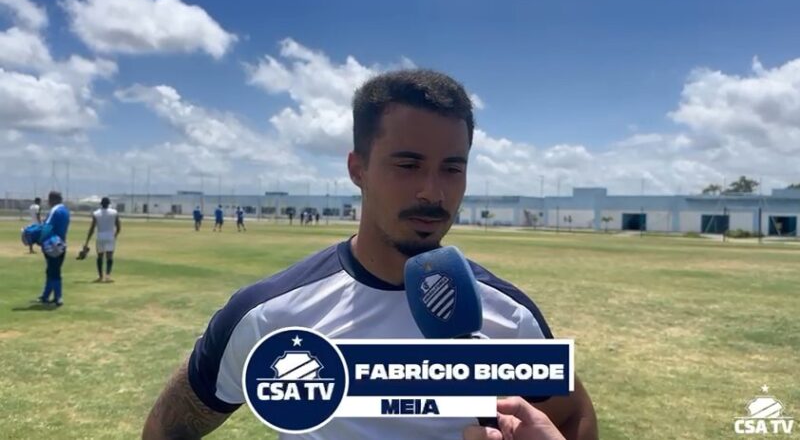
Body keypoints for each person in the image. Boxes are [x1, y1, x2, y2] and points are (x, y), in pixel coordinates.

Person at [142, 70, 597, 439]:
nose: (432, 191)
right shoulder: (269, 314)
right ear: (357, 169)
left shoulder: (508, 318)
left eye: (452, 168)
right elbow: (168, 428)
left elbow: (573, 417)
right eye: (408, 165)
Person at [36, 191, 70, 307]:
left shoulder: (55, 210)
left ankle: (58, 297)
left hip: (52, 244)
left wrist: (40, 239)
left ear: (53, 200)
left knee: (53, 271)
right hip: (62, 243)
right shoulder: (65, 210)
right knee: (52, 270)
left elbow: (47, 226)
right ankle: (46, 296)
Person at [83, 197, 121, 283]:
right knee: (109, 256)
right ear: (109, 204)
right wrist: (115, 236)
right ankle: (108, 276)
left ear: (101, 204)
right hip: (110, 236)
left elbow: (92, 229)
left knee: (100, 256)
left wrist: (87, 241)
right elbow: (118, 227)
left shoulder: (96, 213)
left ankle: (100, 276)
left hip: (100, 236)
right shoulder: (114, 212)